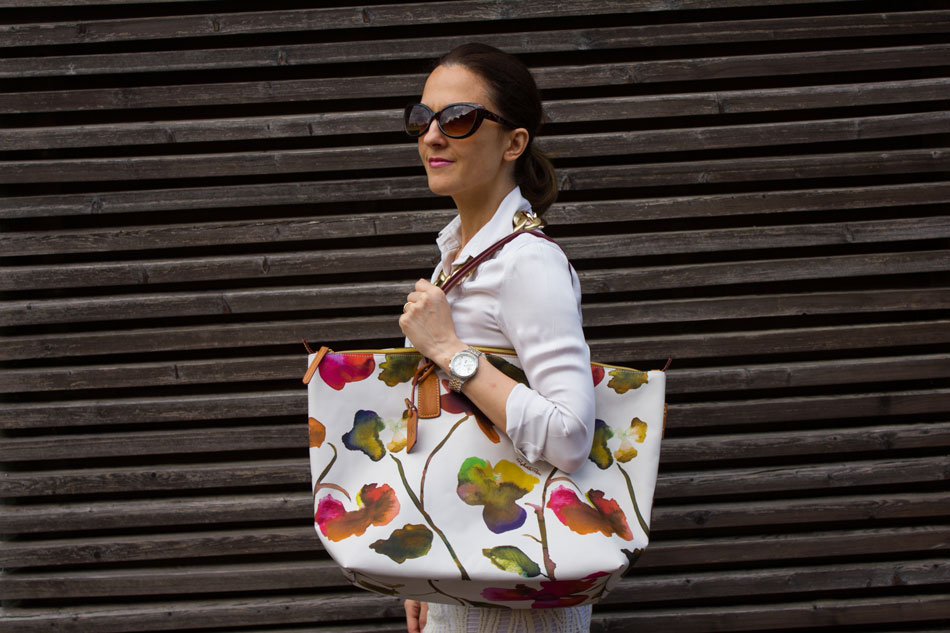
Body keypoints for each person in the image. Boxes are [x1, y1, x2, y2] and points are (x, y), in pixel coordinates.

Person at [398, 43, 596, 633]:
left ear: (514, 142)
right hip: (464, 566)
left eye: (457, 119)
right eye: (421, 118)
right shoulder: (458, 255)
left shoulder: (527, 263)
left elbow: (570, 435)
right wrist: (424, 568)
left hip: (517, 588)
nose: (433, 136)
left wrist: (449, 351)